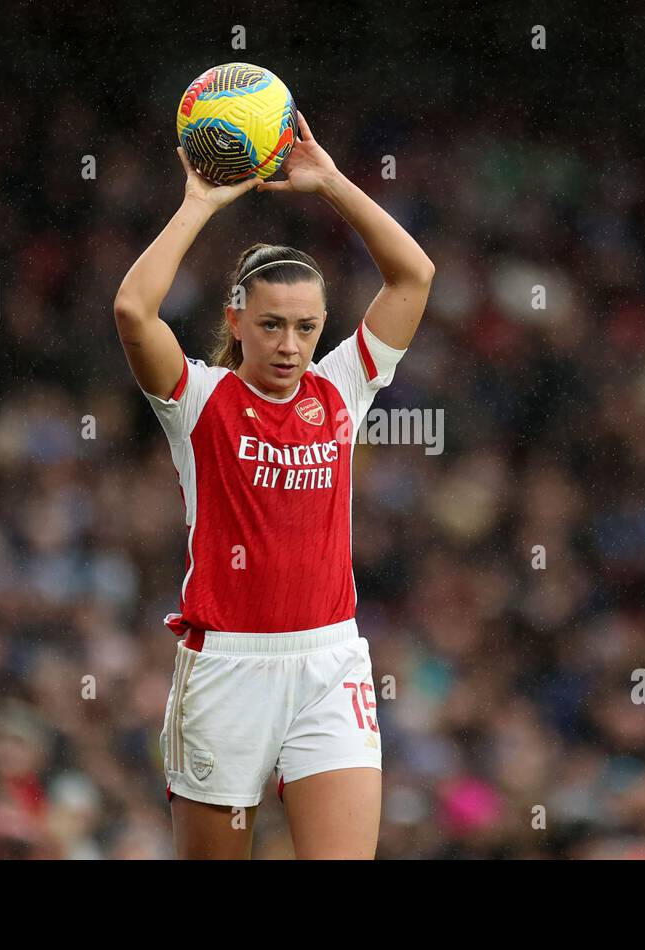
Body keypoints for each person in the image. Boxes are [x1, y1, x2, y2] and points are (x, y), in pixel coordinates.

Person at [112, 110, 434, 859]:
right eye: (271, 326)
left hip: (329, 663)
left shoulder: (342, 388)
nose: (290, 345)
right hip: (227, 668)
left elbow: (414, 275)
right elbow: (134, 310)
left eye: (306, 327)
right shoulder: (199, 400)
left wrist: (329, 184)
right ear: (237, 320)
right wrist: (199, 201)